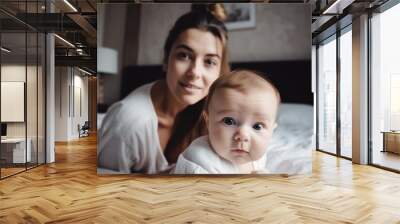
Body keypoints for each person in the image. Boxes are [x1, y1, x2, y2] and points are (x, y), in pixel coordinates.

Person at [98, 4, 230, 174]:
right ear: (166, 60)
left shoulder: (217, 116)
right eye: (184, 55)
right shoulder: (127, 124)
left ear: (219, 71)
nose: (195, 73)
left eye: (209, 61)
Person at [173, 69, 281, 174]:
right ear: (208, 120)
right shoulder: (199, 162)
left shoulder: (258, 156)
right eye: (229, 121)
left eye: (257, 126)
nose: (243, 136)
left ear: (271, 131)